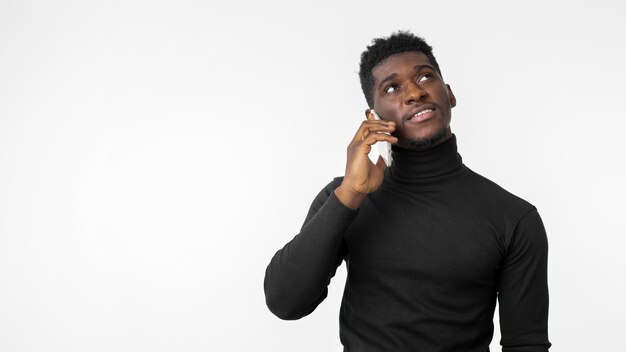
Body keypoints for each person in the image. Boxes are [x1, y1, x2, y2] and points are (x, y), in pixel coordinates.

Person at [264, 31, 551, 352]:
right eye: (392, 87)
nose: (415, 92)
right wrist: (350, 193)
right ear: (373, 118)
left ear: (449, 94)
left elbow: (526, 344)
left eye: (425, 77)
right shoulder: (345, 197)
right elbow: (285, 302)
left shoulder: (513, 218)